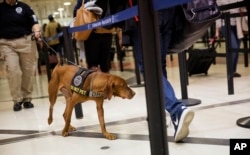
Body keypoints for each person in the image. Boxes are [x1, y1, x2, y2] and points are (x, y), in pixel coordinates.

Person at [123, 1, 195, 142]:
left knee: (147, 65)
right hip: (169, 8)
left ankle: (176, 110)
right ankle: (158, 112)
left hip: (144, 10)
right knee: (159, 64)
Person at [0, 0, 41, 111]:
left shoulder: (24, 7)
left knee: (28, 71)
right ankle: (17, 100)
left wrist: (37, 30)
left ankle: (27, 98)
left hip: (26, 41)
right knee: (13, 71)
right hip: (6, 43)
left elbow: (34, 22)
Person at [73, 0, 126, 72]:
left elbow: (75, 12)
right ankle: (101, 81)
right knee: (101, 63)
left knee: (97, 64)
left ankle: (99, 81)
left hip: (95, 33)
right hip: (101, 32)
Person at [215, 0, 244, 78]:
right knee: (233, 46)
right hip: (225, 24)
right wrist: (217, 30)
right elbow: (217, 13)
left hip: (237, 24)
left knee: (237, 48)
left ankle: (233, 71)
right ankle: (230, 72)